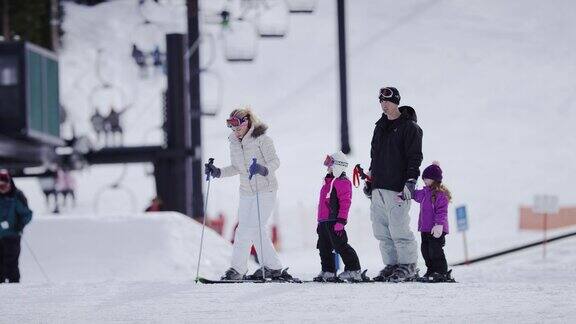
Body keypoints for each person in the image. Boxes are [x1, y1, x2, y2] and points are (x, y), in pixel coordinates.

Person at [204, 108, 291, 280]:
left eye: (238, 128)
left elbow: (275, 162)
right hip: (246, 192)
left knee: (253, 228)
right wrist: (218, 172)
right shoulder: (234, 142)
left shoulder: (262, 140)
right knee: (245, 229)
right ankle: (254, 268)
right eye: (233, 129)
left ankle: (258, 268)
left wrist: (262, 169)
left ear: (247, 123)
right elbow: (237, 167)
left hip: (265, 189)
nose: (235, 132)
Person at [365, 87, 423, 282]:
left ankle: (408, 265)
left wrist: (411, 182)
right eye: (381, 101)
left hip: (398, 187)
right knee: (381, 230)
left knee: (399, 228)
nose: (384, 105)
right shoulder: (379, 127)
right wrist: (370, 180)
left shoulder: (410, 128)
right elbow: (374, 156)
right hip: (379, 186)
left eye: (388, 101)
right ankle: (391, 265)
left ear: (396, 102)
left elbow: (414, 158)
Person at [314, 151, 362, 282]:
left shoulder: (342, 182)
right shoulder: (327, 182)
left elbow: (345, 202)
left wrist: (341, 220)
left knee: (341, 245)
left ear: (337, 166)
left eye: (330, 166)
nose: (328, 168)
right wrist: (320, 222)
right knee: (324, 247)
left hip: (335, 221)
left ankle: (353, 269)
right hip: (324, 221)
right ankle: (328, 270)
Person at [413, 162, 455, 282]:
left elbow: (442, 211)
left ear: (434, 179)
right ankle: (431, 270)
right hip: (425, 228)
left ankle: (441, 271)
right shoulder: (424, 192)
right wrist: (404, 194)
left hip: (437, 229)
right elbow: (414, 195)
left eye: (427, 178)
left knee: (435, 250)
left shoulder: (440, 194)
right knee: (425, 250)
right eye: (424, 178)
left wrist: (439, 225)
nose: (424, 181)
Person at [0, 169, 33, 283]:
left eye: (4, 186)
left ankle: (14, 288)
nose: (2, 189)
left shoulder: (16, 196)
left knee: (11, 263)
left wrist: (19, 225)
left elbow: (27, 214)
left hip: (12, 236)